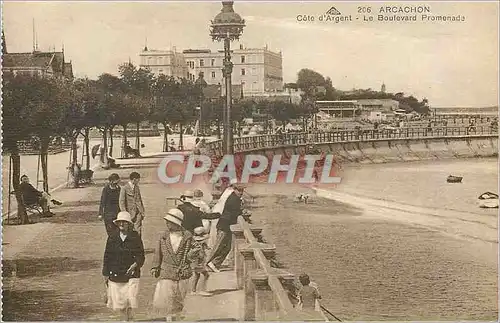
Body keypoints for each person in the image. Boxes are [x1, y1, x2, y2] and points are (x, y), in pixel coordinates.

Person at [151, 208, 195, 322]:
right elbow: (158, 252)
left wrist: (193, 254)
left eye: (169, 222)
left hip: (182, 272)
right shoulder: (163, 236)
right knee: (167, 297)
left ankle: (179, 317)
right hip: (166, 270)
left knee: (179, 298)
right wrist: (155, 267)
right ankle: (169, 318)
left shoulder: (187, 236)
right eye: (166, 221)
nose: (167, 223)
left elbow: (191, 255)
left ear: (176, 223)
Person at [102, 211, 145, 321]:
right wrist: (106, 273)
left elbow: (141, 255)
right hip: (116, 273)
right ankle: (125, 318)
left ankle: (129, 317)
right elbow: (107, 256)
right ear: (117, 223)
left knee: (131, 298)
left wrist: (135, 265)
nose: (122, 224)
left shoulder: (135, 237)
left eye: (124, 222)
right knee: (120, 301)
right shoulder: (112, 237)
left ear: (129, 224)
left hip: (131, 273)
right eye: (120, 222)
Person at [205, 180, 245, 273]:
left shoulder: (234, 197)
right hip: (224, 225)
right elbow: (235, 211)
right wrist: (241, 212)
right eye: (239, 190)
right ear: (234, 189)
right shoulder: (234, 199)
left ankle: (214, 263)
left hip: (227, 225)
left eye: (242, 190)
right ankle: (208, 263)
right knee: (219, 246)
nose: (241, 192)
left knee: (226, 247)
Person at [119, 172, 145, 236]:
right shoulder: (124, 188)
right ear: (134, 179)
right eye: (138, 180)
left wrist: (142, 211)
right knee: (129, 231)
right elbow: (121, 201)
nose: (138, 181)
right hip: (129, 213)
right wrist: (124, 213)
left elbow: (139, 199)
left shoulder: (137, 187)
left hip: (138, 213)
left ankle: (138, 244)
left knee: (138, 230)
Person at [190, 227, 212, 296]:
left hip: (194, 263)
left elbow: (204, 245)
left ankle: (193, 290)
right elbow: (201, 254)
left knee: (196, 275)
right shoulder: (199, 246)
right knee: (206, 275)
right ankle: (202, 290)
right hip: (198, 263)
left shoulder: (194, 243)